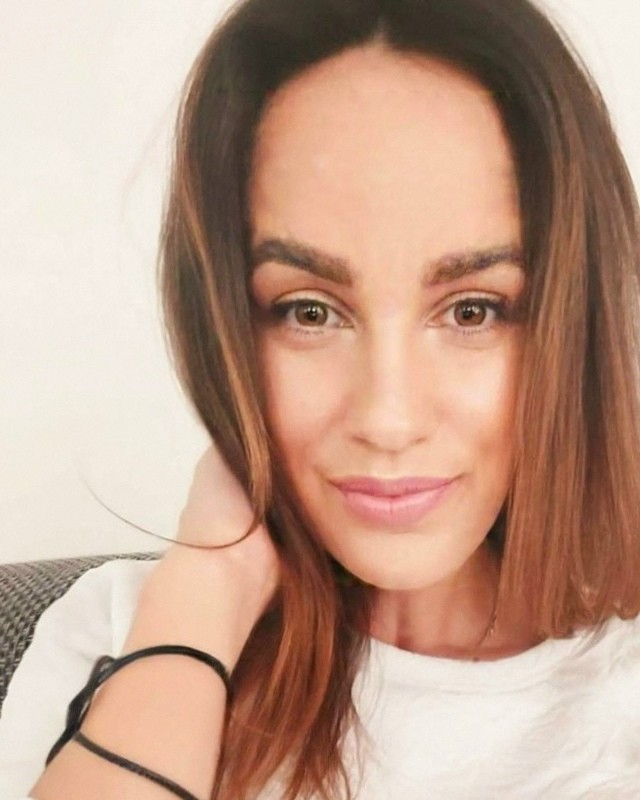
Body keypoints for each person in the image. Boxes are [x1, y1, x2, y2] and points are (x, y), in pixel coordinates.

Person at [2, 0, 640, 797]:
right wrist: (196, 617)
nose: (388, 419)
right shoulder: (120, 627)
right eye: (309, 312)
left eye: (473, 310)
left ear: (574, 324)